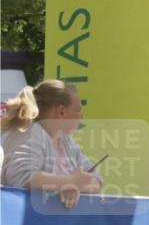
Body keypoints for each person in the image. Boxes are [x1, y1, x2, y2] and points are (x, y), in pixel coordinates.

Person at [1, 80, 102, 208]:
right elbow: (22, 176)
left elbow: (97, 181)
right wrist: (68, 182)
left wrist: (74, 187)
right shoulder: (29, 132)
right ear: (61, 112)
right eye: (77, 110)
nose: (81, 116)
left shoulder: (67, 141)